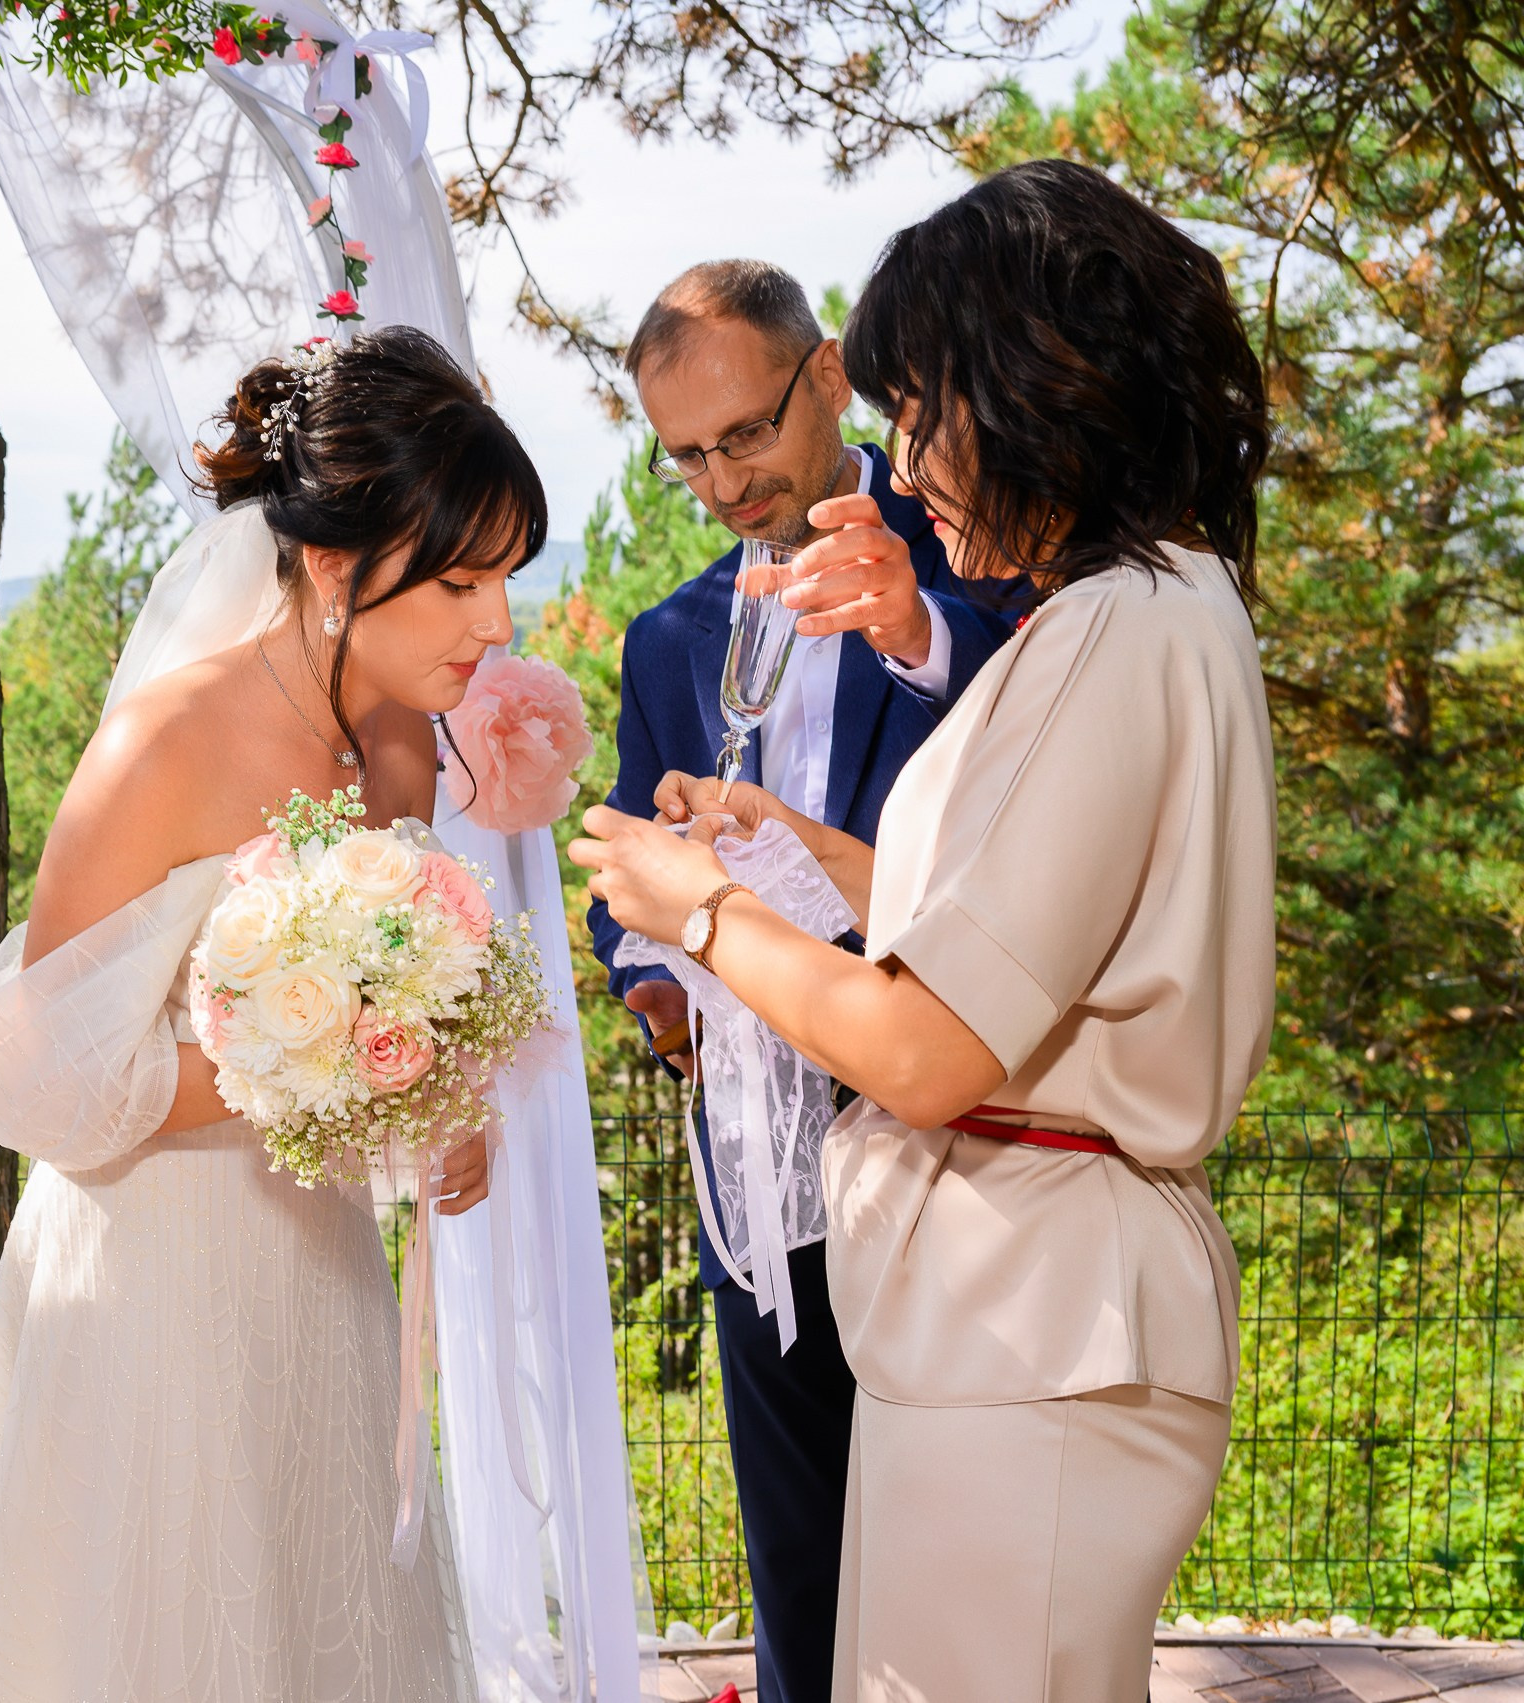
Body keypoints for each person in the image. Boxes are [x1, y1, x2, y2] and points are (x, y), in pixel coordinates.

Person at [569, 158, 1273, 1701]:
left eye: (920, 407)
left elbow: (932, 1048)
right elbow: (1033, 913)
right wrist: (802, 852)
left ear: (1033, 386)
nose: (910, 456)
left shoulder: (1104, 628)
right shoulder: (1161, 606)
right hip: (1009, 1309)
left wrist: (711, 910)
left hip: (1029, 1312)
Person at [0, 327, 542, 1702]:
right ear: (329, 563)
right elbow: (37, 1079)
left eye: (506, 583)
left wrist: (428, 1104)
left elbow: (395, 1010)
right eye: (462, 583)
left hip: (317, 1279)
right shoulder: (168, 740)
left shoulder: (394, 740)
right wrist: (306, 1075)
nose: (496, 628)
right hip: (154, 1287)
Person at [583, 259, 1013, 1703]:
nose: (724, 482)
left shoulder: (987, 560)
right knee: (802, 1581)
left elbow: (1046, 767)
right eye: (688, 455)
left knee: (969, 1565)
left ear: (829, 377)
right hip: (759, 1171)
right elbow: (636, 875)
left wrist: (914, 627)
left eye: (747, 433)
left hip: (959, 1147)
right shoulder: (669, 638)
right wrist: (651, 985)